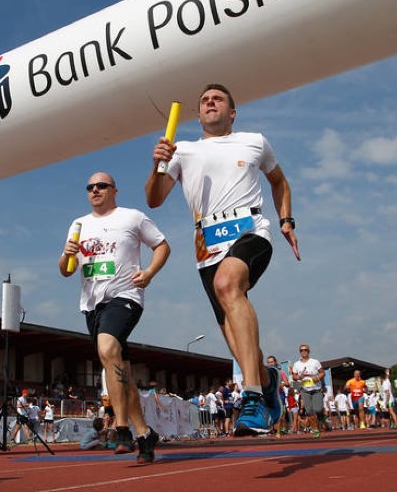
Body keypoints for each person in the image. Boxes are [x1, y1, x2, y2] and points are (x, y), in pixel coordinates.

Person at [146, 83, 300, 436]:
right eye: (204, 100)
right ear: (198, 115)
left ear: (232, 113)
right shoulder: (181, 151)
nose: (209, 102)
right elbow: (154, 199)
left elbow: (280, 183)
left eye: (218, 99)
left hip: (250, 230)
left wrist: (286, 219)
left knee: (228, 284)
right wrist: (157, 165)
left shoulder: (255, 141)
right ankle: (266, 378)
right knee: (234, 336)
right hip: (206, 245)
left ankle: (253, 397)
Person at [60, 171, 170, 463]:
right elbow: (66, 269)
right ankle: (145, 433)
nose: (95, 190)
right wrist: (66, 254)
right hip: (91, 305)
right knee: (119, 367)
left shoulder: (132, 218)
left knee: (107, 348)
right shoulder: (78, 224)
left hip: (125, 297)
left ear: (114, 190)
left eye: (101, 186)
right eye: (90, 187)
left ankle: (122, 428)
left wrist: (148, 273)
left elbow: (162, 245)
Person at [291, 344, 325, 437]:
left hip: (316, 389)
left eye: (305, 350)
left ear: (308, 351)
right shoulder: (296, 364)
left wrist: (317, 378)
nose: (303, 352)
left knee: (318, 409)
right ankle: (315, 430)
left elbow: (322, 373)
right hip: (305, 390)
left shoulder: (315, 362)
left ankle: (321, 418)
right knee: (309, 411)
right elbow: (294, 376)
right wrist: (298, 377)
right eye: (301, 350)